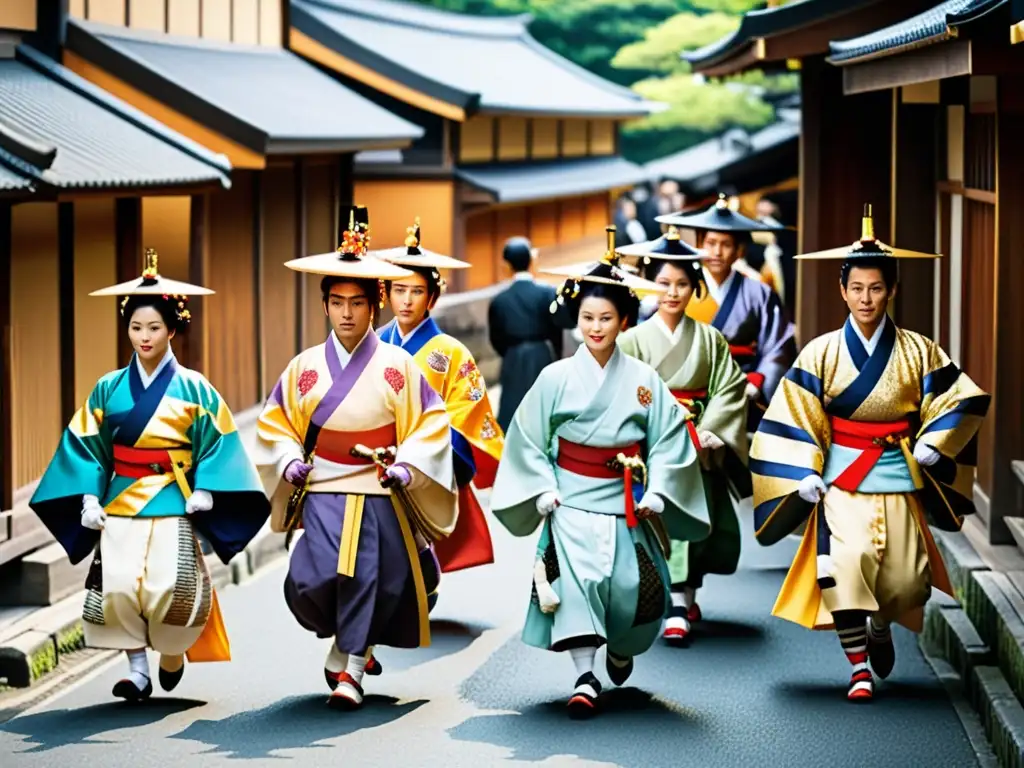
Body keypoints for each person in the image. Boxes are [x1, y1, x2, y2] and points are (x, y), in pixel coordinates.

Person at [750, 206, 990, 702]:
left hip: (899, 469)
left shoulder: (919, 350)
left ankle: (882, 626)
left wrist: (933, 442)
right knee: (846, 561)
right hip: (841, 473)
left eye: (876, 288)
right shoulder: (820, 352)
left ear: (892, 290)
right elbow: (794, 412)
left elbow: (959, 397)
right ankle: (858, 667)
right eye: (856, 288)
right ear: (843, 290)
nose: (866, 298)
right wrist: (804, 471)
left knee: (905, 578)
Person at [29, 250, 270, 701]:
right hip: (119, 500)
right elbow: (85, 443)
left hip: (172, 497)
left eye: (154, 327)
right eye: (136, 327)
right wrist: (87, 497)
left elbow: (219, 442)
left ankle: (173, 653)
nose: (144, 336)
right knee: (118, 588)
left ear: (172, 329)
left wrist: (207, 489)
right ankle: (137, 669)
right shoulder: (108, 387)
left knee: (171, 586)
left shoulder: (195, 387)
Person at [490, 227, 711, 718]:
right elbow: (527, 438)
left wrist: (660, 489)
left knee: (629, 588)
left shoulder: (644, 381)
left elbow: (670, 438)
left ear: (625, 320)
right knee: (576, 584)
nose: (595, 327)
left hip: (624, 498)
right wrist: (542, 487)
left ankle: (620, 647)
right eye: (587, 317)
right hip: (570, 500)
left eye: (606, 318)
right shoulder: (555, 377)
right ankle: (584, 674)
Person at [254, 207, 457, 710]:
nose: (347, 313)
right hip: (323, 482)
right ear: (324, 305)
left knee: (370, 576)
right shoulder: (303, 368)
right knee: (312, 577)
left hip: (378, 485)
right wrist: (286, 461)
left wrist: (408, 465)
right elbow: (275, 421)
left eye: (358, 303)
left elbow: (431, 422)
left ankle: (354, 669)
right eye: (337, 302)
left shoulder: (398, 366)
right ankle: (343, 643)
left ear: (375, 307)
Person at [617, 228, 750, 644]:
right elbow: (621, 390)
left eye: (681, 284)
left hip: (697, 443)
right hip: (654, 443)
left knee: (694, 524)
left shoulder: (710, 339)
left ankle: (682, 597)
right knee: (661, 521)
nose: (672, 293)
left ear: (695, 288)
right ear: (649, 287)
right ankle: (673, 599)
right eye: (663, 284)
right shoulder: (632, 340)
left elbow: (729, 387)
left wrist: (713, 429)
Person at [376, 218, 502, 573]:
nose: (406, 300)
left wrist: (427, 443)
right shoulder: (375, 343)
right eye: (399, 290)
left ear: (432, 297)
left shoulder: (450, 352)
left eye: (416, 292)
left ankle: (418, 586)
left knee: (413, 541)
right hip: (375, 455)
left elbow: (469, 409)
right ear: (386, 293)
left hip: (426, 460)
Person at [658, 194, 796, 431]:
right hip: (688, 395)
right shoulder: (681, 288)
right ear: (699, 244)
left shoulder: (759, 293)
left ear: (739, 250)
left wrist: (757, 382)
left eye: (726, 244)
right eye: (711, 243)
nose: (717, 252)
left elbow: (778, 345)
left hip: (742, 390)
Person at [488, 236, 565, 432]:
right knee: (544, 410)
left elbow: (496, 338)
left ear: (506, 265)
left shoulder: (500, 300)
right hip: (542, 354)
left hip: (513, 357)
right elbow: (558, 326)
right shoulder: (547, 293)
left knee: (513, 411)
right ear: (531, 261)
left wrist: (511, 353)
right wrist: (556, 354)